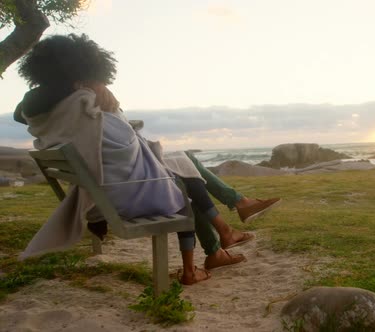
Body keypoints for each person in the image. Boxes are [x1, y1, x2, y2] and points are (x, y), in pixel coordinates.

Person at [14, 34, 279, 285]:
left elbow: (21, 109)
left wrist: (83, 89)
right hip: (125, 197)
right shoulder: (89, 113)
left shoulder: (50, 116)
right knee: (187, 176)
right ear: (86, 72)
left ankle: (226, 230)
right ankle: (214, 243)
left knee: (184, 165)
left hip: (105, 190)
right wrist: (112, 107)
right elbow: (129, 146)